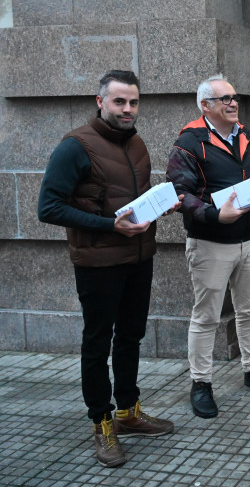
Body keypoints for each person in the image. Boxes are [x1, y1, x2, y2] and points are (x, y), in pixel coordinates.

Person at [38, 70, 176, 468]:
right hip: (98, 263)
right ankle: (101, 421)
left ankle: (128, 411)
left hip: (138, 257)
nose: (127, 109)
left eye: (133, 101)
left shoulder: (136, 144)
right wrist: (108, 225)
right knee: (98, 342)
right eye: (119, 101)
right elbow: (48, 208)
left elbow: (131, 200)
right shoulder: (75, 146)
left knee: (131, 336)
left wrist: (160, 206)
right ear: (101, 102)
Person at [166, 74, 250, 418]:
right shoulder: (189, 142)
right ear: (206, 106)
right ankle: (201, 383)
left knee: (249, 311)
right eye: (225, 98)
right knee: (207, 317)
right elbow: (179, 193)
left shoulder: (247, 135)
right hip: (211, 243)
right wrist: (215, 215)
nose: (233, 103)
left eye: (235, 98)